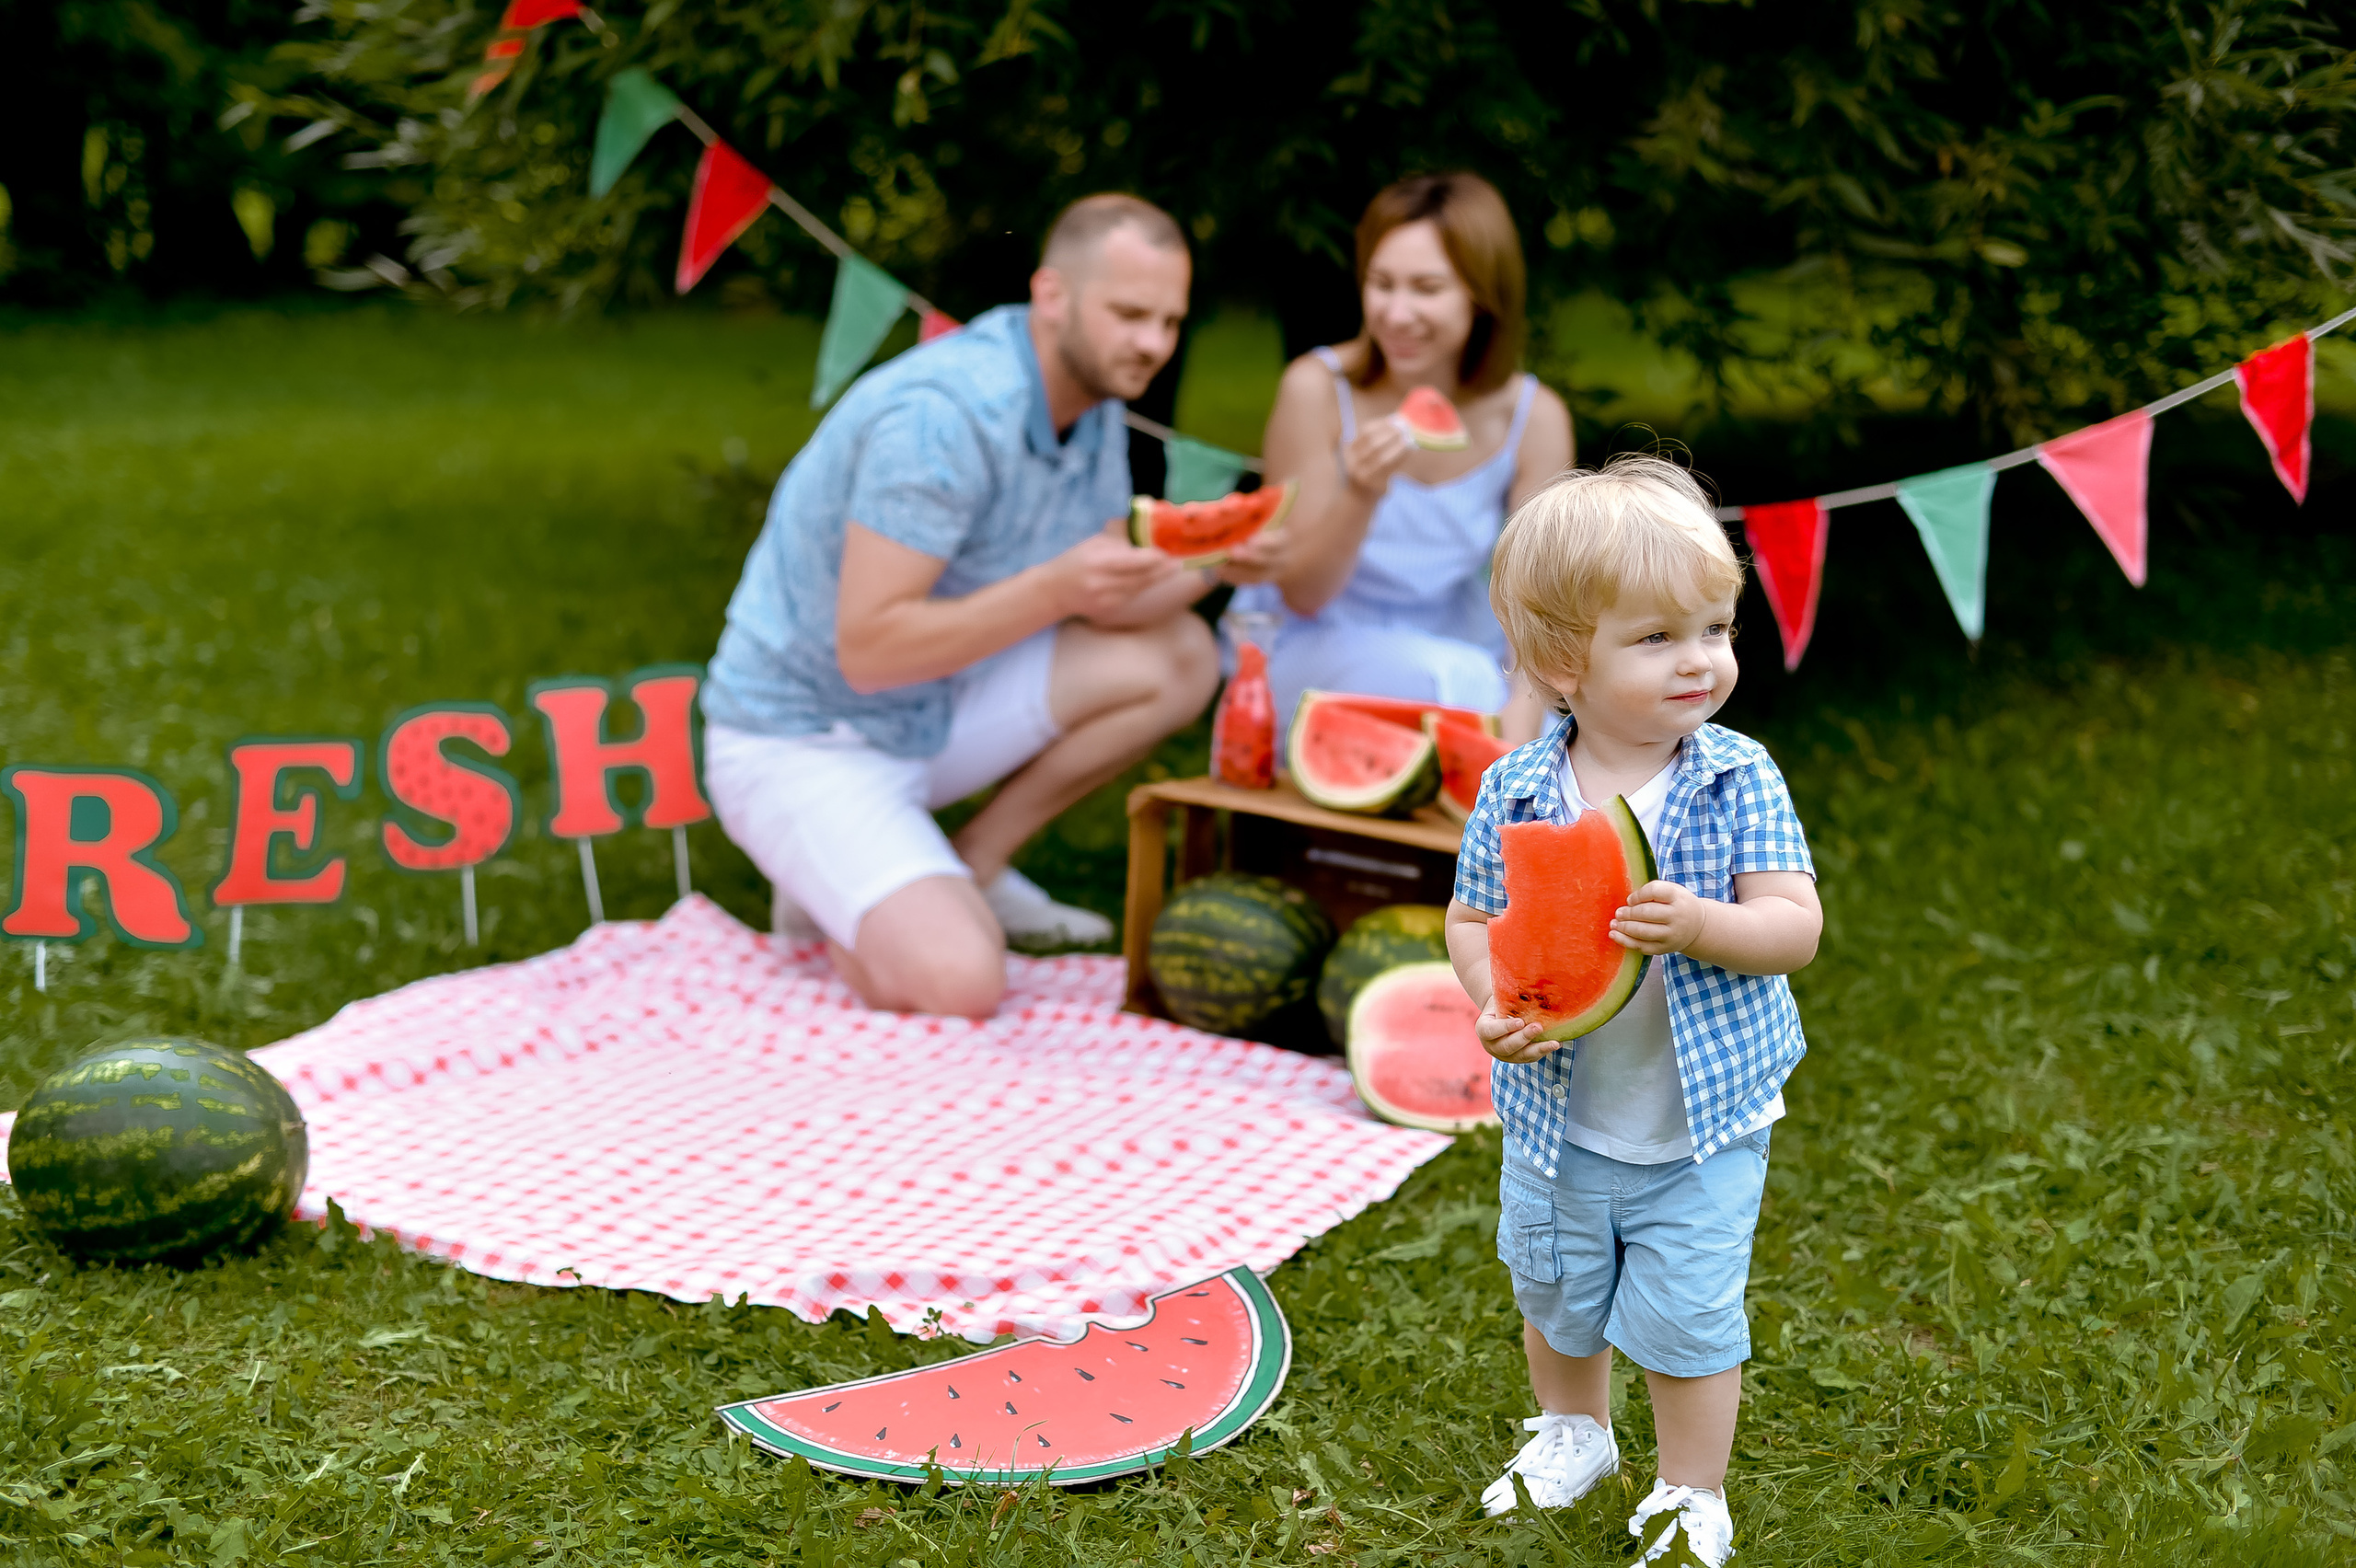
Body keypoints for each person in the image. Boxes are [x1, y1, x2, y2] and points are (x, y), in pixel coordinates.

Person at [701, 194, 1251, 1020]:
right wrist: (1055, 588)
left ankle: (971, 865)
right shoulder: (943, 419)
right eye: (1131, 315)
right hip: (805, 735)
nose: (1153, 343)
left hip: (936, 705)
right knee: (960, 983)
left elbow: (1109, 599)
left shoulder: (1091, 404)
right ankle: (835, 895)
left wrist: (1222, 560)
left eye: (1169, 321)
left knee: (1181, 656)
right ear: (1052, 295)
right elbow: (869, 651)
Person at [1443, 455, 1823, 1565]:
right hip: (1554, 1119)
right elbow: (1472, 920)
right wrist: (1495, 998)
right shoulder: (1514, 789)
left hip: (1700, 1127)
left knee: (1687, 1318)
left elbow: (1794, 926)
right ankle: (1573, 1431)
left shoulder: (1737, 776)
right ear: (1564, 662)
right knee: (1554, 1291)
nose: (1700, 659)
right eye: (1658, 637)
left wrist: (1703, 923)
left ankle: (1690, 1490)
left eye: (1716, 629)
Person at [1237, 171, 1574, 743]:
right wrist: (1361, 493)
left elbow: (1538, 611)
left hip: (1464, 658)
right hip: (1309, 649)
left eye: (1426, 288)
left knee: (1549, 738)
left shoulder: (1535, 420)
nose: (1395, 314)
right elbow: (1303, 593)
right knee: (1446, 683)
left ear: (1482, 294)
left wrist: (1522, 731)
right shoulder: (1316, 389)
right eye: (1381, 284)